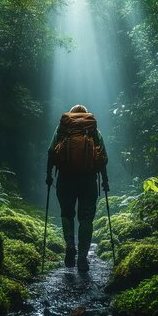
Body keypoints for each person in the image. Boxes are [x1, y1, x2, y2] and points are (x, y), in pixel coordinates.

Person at [46, 104, 109, 272]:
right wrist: (105, 181)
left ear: (71, 115)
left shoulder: (63, 128)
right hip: (88, 180)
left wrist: (49, 175)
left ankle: (69, 245)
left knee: (67, 214)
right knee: (86, 218)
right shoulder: (92, 128)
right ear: (86, 115)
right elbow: (103, 157)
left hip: (66, 179)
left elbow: (51, 152)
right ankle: (82, 256)